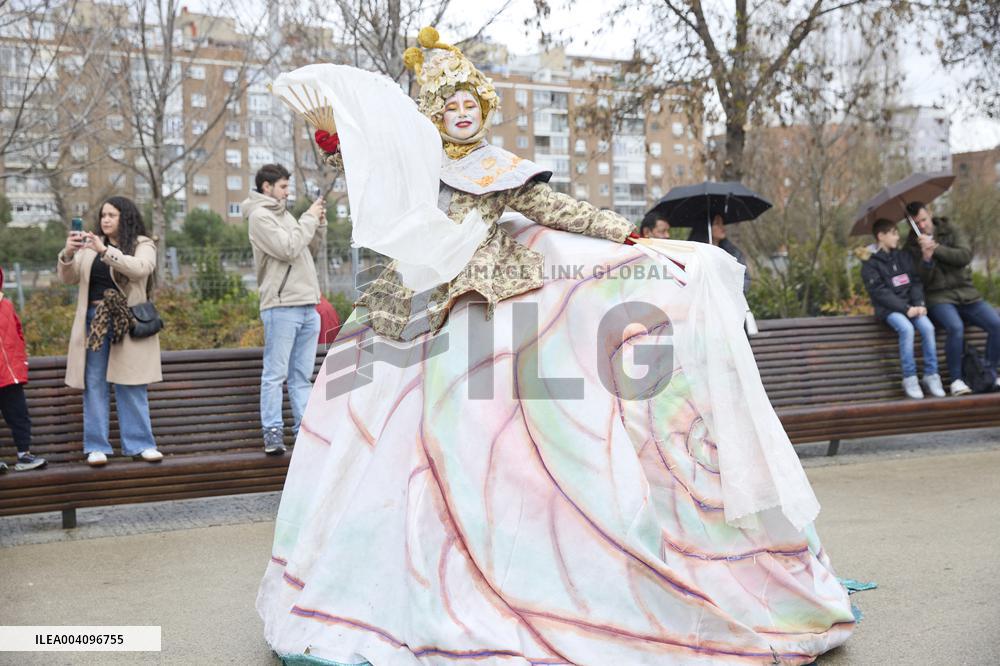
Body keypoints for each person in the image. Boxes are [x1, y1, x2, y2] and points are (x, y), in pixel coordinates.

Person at [258, 28, 854, 665]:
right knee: (407, 433)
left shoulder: (497, 168)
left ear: (483, 108)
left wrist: (626, 235)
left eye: (470, 102)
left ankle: (520, 558)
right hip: (422, 307)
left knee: (497, 433)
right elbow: (372, 171)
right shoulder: (422, 163)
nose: (462, 112)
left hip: (491, 305)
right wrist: (334, 139)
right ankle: (411, 563)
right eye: (450, 105)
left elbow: (555, 209)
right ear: (435, 115)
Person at [57, 197, 163, 467]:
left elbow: (141, 269)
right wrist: (68, 253)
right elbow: (68, 278)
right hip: (94, 320)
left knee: (131, 383)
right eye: (103, 215)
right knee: (94, 383)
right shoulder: (90, 246)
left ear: (125, 217)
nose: (105, 220)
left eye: (112, 215)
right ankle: (96, 447)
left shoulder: (142, 244)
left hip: (127, 320)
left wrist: (105, 251)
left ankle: (141, 444)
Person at [244, 164, 325, 455]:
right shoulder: (260, 217)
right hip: (282, 306)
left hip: (307, 305)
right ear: (266, 187)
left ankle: (304, 432)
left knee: (301, 377)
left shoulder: (286, 215)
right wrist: (308, 218)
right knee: (275, 374)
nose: (287, 192)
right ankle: (273, 433)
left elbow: (306, 251)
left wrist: (318, 225)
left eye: (288, 187)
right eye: (282, 187)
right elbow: (288, 248)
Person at [904, 201, 1000, 395]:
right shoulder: (911, 246)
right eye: (917, 223)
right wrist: (926, 259)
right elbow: (920, 280)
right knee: (956, 327)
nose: (922, 225)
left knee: (996, 325)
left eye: (923, 220)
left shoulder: (950, 230)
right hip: (938, 297)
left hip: (967, 293)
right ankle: (956, 380)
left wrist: (936, 249)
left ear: (930, 213)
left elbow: (964, 256)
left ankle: (989, 372)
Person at [861, 219, 945, 399]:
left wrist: (919, 304)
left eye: (897, 233)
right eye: (893, 233)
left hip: (911, 307)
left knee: (928, 328)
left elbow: (915, 281)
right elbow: (879, 292)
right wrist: (905, 308)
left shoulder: (903, 256)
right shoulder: (870, 262)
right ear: (881, 236)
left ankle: (931, 375)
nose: (897, 237)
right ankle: (910, 378)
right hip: (889, 310)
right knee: (906, 329)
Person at [0, 265, 47, 472]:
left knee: (19, 415)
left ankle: (24, 455)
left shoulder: (6, 305)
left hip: (10, 375)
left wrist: (19, 362)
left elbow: (18, 333)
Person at [688, 213, 751, 293]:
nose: (722, 227)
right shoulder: (694, 254)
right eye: (717, 223)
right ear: (706, 227)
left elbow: (744, 278)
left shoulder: (733, 252)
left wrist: (731, 291)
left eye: (722, 223)